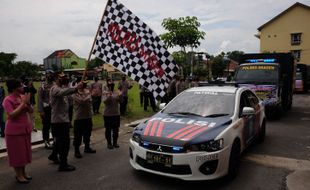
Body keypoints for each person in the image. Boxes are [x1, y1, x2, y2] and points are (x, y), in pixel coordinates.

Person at [48, 72, 81, 172]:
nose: (64, 79)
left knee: (59, 141)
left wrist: (76, 90)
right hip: (59, 121)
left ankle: (54, 155)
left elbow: (68, 98)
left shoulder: (62, 88)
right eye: (61, 78)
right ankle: (63, 164)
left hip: (63, 120)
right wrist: (75, 88)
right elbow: (62, 93)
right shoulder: (55, 88)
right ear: (56, 79)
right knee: (65, 143)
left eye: (65, 78)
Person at [2, 79, 33, 183]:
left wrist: (27, 103)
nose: (22, 87)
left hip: (24, 129)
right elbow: (11, 115)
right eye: (20, 86)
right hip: (14, 131)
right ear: (14, 88)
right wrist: (23, 104)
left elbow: (31, 110)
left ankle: (23, 173)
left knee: (24, 153)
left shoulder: (21, 97)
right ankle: (18, 175)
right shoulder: (7, 100)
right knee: (17, 154)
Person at [73, 80, 96, 158]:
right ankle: (76, 150)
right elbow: (82, 102)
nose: (85, 84)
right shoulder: (75, 93)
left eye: (86, 83)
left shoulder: (87, 91)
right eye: (83, 83)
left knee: (87, 134)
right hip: (79, 117)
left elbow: (90, 102)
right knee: (78, 135)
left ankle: (87, 147)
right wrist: (88, 96)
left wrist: (87, 97)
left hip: (88, 116)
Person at [38, 71, 54, 149]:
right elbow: (40, 98)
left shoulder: (55, 85)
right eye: (48, 74)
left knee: (54, 125)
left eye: (51, 74)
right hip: (46, 108)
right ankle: (46, 141)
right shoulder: (43, 86)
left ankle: (55, 140)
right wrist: (41, 110)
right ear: (46, 75)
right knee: (46, 126)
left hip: (54, 108)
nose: (50, 76)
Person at [103, 81, 121, 149]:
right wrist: (109, 96)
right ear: (108, 86)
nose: (112, 86)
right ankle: (109, 143)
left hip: (116, 114)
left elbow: (121, 101)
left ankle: (115, 142)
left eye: (113, 84)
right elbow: (105, 102)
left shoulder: (116, 92)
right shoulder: (105, 93)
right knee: (108, 129)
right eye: (110, 85)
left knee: (116, 129)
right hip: (108, 115)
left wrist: (120, 95)